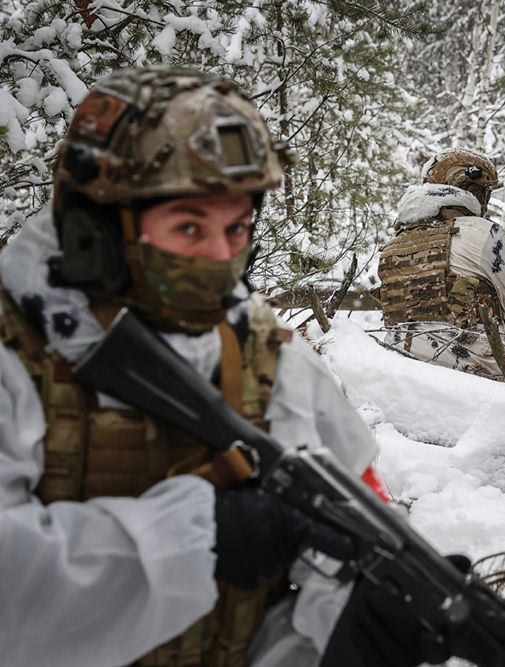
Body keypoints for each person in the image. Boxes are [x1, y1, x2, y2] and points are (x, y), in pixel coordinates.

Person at [0, 67, 443, 667]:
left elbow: (347, 519)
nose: (221, 257)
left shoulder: (265, 351)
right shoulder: (15, 353)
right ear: (98, 231)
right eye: (189, 226)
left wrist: (350, 623)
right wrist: (201, 536)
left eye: (237, 228)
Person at [378, 149, 505, 379]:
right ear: (471, 188)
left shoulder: (393, 245)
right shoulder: (482, 232)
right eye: (484, 192)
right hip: (471, 380)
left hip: (401, 375)